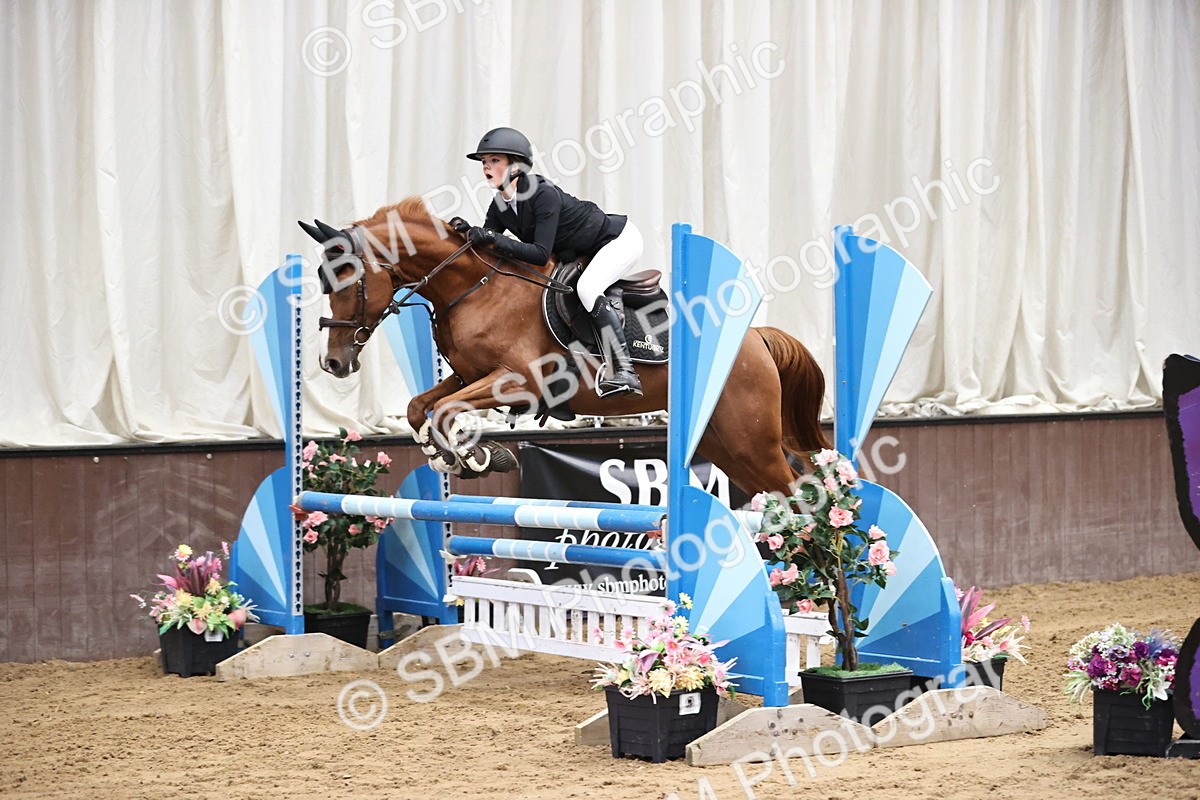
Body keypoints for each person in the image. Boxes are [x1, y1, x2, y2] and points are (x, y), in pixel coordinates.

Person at [451, 127, 648, 397]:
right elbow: (489, 241)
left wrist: (492, 238)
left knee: (588, 288)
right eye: (484, 162)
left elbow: (540, 254)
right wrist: (464, 232)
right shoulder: (500, 204)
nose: (486, 166)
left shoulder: (542, 194)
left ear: (516, 166)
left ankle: (625, 370)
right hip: (582, 248)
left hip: (618, 240)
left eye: (494, 160)